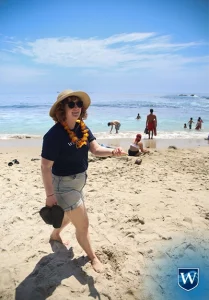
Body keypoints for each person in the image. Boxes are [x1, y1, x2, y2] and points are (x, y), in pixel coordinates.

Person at [41, 89, 127, 273]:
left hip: (80, 182)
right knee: (83, 224)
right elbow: (45, 167)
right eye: (70, 104)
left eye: (78, 104)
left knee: (70, 216)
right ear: (61, 109)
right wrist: (49, 195)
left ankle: (55, 235)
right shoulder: (53, 136)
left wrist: (113, 151)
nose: (76, 107)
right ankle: (93, 257)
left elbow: (95, 149)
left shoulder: (83, 128)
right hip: (63, 186)